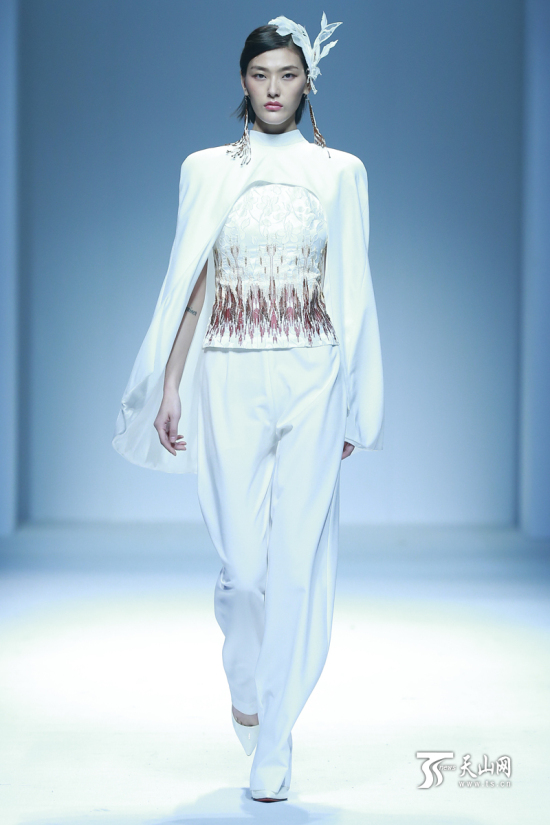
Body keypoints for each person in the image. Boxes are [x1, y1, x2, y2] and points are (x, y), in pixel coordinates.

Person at [112, 13, 383, 804]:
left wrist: (355, 404)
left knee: (294, 560)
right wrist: (170, 384)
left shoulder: (340, 172)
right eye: (261, 75)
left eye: (287, 76)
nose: (273, 90)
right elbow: (190, 287)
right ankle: (247, 683)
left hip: (312, 372)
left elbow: (354, 288)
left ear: (307, 82)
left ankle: (275, 736)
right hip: (226, 373)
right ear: (243, 80)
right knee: (242, 570)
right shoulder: (205, 170)